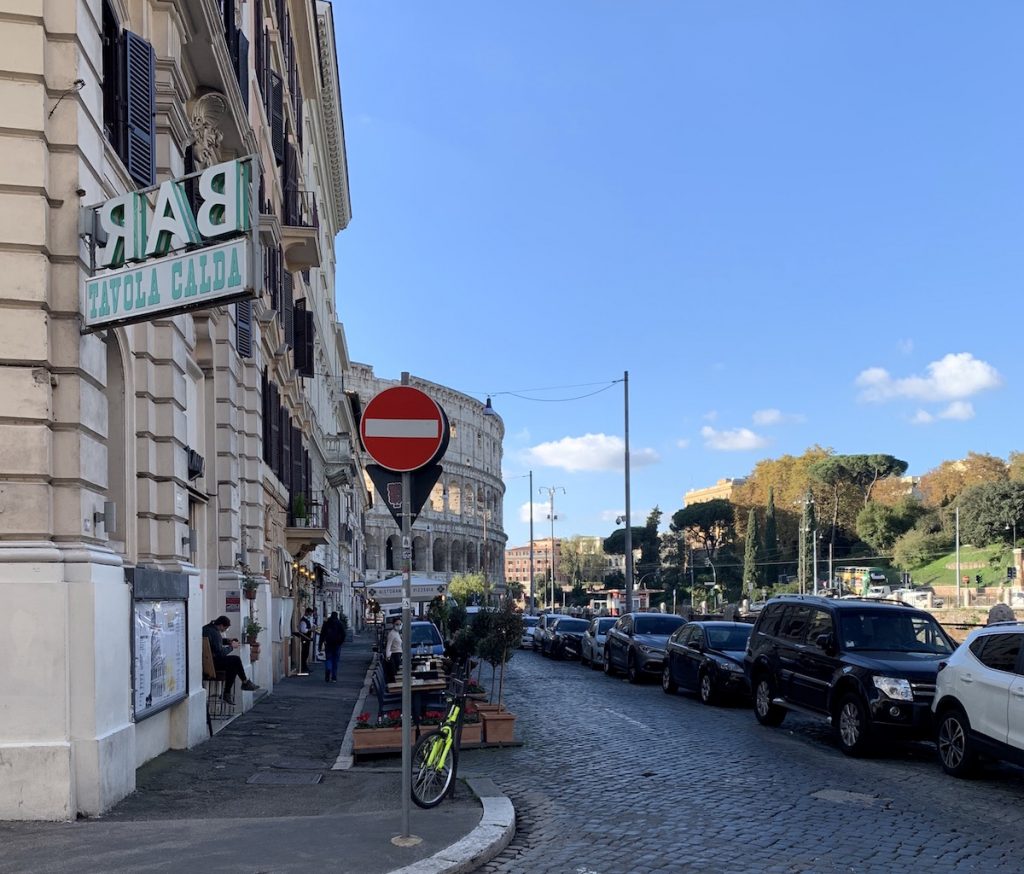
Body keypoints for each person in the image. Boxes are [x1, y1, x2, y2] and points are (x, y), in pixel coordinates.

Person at [202, 616, 259, 704]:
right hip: (212, 663)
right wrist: (232, 647)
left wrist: (228, 641)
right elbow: (220, 652)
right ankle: (240, 685)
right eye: (225, 628)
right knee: (235, 660)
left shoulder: (207, 628)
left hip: (206, 661)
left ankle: (235, 688)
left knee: (233, 665)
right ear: (221, 625)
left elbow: (215, 642)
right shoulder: (215, 632)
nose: (225, 630)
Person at [319, 611, 346, 683]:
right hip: (337, 644)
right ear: (337, 616)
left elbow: (322, 634)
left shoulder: (326, 623)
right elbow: (343, 634)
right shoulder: (339, 623)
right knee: (335, 661)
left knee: (328, 658)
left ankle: (328, 669)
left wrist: (320, 645)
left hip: (328, 644)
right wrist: (341, 642)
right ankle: (334, 677)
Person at [384, 616, 402, 683]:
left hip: (398, 654)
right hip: (394, 655)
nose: (399, 626)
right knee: (396, 673)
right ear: (393, 624)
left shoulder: (397, 633)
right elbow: (388, 646)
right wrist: (388, 657)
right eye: (397, 624)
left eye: (400, 624)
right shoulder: (392, 634)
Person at [296, 608, 314, 675]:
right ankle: (303, 667)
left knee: (306, 653)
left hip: (307, 638)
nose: (310, 615)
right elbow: (303, 630)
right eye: (310, 613)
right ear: (306, 612)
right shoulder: (303, 621)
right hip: (304, 639)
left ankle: (305, 666)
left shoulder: (307, 620)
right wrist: (310, 630)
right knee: (304, 652)